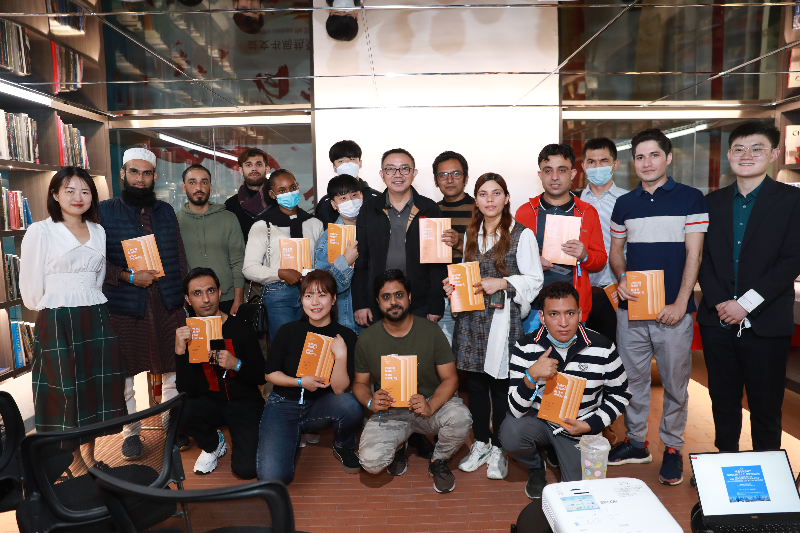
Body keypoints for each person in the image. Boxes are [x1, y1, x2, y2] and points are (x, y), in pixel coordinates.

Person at [608, 128, 708, 486]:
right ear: (632, 163)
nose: (647, 163)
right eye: (639, 156)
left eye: (654, 155)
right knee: (632, 382)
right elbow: (616, 254)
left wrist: (682, 302)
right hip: (631, 313)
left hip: (673, 313)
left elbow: (694, 254)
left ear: (668, 158)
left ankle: (672, 448)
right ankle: (636, 443)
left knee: (675, 385)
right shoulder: (625, 204)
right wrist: (620, 278)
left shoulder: (690, 199)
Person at [697, 121, 800, 453]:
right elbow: (703, 258)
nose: (747, 155)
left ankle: (770, 487)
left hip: (767, 324)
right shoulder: (711, 202)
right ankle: (726, 480)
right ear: (729, 155)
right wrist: (721, 302)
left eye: (757, 148)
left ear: (774, 154)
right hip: (717, 321)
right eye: (739, 148)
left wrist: (746, 304)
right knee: (723, 407)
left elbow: (792, 260)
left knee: (766, 410)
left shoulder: (791, 200)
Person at [443, 173, 543, 480]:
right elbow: (467, 275)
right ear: (476, 200)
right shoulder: (471, 232)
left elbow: (535, 280)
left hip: (503, 322)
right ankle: (482, 444)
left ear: (506, 198)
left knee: (500, 387)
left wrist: (503, 281)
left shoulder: (522, 234)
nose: (490, 199)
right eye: (483, 194)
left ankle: (499, 447)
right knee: (475, 386)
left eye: (496, 193)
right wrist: (452, 286)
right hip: (472, 321)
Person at [499, 281, 630, 499]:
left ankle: (556, 450)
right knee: (510, 433)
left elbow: (621, 393)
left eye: (570, 313)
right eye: (553, 314)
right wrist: (531, 376)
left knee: (581, 493)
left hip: (578, 426)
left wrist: (591, 424)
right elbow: (515, 409)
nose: (563, 323)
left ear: (579, 313)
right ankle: (536, 466)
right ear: (542, 317)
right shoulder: (525, 347)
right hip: (540, 420)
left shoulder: (603, 346)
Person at [20, 167, 126, 435]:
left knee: (97, 389)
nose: (78, 197)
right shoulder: (41, 231)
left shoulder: (98, 230)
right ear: (55, 194)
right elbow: (31, 288)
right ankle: (71, 460)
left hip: (97, 315)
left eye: (85, 191)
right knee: (64, 390)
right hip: (58, 319)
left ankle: (89, 456)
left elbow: (98, 277)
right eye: (69, 191)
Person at [100, 148, 188, 460]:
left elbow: (178, 254)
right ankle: (131, 433)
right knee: (126, 376)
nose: (140, 178)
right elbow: (95, 263)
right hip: (124, 305)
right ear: (122, 174)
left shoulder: (164, 211)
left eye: (146, 173)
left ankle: (171, 428)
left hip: (166, 301)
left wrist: (184, 293)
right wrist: (126, 276)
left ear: (154, 177)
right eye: (134, 172)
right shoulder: (104, 211)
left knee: (172, 372)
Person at [354, 270, 472, 494]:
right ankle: (401, 442)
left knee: (461, 418)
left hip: (428, 406)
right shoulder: (367, 338)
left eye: (399, 295)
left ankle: (438, 460)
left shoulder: (431, 331)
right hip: (390, 411)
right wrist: (370, 402)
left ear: (409, 297)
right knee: (371, 464)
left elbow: (451, 379)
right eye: (386, 297)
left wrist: (431, 405)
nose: (393, 302)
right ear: (378, 302)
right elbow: (359, 384)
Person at [257, 270, 363, 483]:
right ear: (302, 300)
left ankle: (343, 444)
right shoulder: (289, 331)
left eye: (322, 295)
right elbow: (270, 374)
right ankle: (293, 434)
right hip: (284, 404)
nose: (315, 302)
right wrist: (298, 381)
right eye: (308, 296)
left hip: (321, 405)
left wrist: (340, 356)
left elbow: (340, 390)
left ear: (334, 299)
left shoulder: (347, 336)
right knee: (274, 478)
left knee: (350, 405)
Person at [175, 268, 266, 478]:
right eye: (197, 293)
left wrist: (237, 364)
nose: (205, 299)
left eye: (210, 291)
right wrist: (180, 352)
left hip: (245, 403)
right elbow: (185, 389)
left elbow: (261, 376)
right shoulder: (187, 333)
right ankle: (213, 444)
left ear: (219, 292)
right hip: (210, 402)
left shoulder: (241, 328)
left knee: (246, 471)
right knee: (180, 409)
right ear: (188, 299)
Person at [514, 143, 606, 330]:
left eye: (561, 170)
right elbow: (508, 260)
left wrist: (584, 255)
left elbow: (601, 261)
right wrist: (530, 263)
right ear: (540, 175)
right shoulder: (525, 212)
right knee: (534, 358)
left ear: (572, 174)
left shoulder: (588, 213)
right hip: (532, 308)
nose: (554, 177)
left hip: (572, 308)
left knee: (570, 359)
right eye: (548, 171)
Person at [353, 148, 447, 328]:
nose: (398, 174)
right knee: (381, 355)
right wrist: (361, 303)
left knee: (419, 355)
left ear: (414, 173)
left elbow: (437, 264)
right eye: (390, 169)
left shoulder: (430, 209)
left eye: (405, 168)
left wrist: (436, 304)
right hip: (378, 303)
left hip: (420, 303)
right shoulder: (369, 209)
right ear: (382, 174)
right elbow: (361, 260)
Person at [243, 169, 324, 341]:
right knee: (286, 347)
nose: (290, 193)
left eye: (293, 187)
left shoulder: (314, 223)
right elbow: (249, 269)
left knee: (311, 345)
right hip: (278, 295)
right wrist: (280, 273)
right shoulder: (262, 226)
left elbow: (321, 262)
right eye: (282, 190)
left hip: (311, 293)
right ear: (272, 195)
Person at [177, 164, 245, 315]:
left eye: (204, 182)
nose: (199, 187)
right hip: (193, 302)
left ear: (211, 187)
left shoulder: (229, 218)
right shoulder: (175, 222)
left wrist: (238, 299)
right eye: (192, 182)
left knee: (227, 339)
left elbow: (238, 260)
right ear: (184, 188)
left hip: (227, 299)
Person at [579, 138, 628, 343]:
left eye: (603, 161)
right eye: (591, 162)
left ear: (615, 164)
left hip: (617, 291)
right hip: (581, 293)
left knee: (615, 356)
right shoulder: (575, 203)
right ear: (583, 166)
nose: (597, 167)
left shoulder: (627, 201)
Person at [433, 150, 475, 344]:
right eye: (443, 175)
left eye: (456, 174)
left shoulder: (481, 210)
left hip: (470, 295)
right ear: (436, 181)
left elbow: (493, 254)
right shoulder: (431, 212)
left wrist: (460, 244)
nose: (449, 180)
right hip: (438, 297)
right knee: (442, 360)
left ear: (466, 178)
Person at [313, 175, 362, 333]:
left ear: (362, 196)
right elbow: (323, 287)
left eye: (354, 195)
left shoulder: (376, 229)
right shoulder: (328, 239)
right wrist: (345, 262)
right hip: (348, 320)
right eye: (343, 198)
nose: (350, 201)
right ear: (334, 204)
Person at [315, 140, 380, 226]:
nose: (347, 164)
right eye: (341, 161)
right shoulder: (325, 203)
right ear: (334, 167)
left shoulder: (377, 198)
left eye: (351, 159)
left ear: (360, 163)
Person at [225, 148, 272, 245]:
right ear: (241, 170)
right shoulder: (231, 205)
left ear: (267, 169)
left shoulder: (278, 200)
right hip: (243, 259)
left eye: (258, 164)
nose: (254, 169)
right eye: (249, 165)